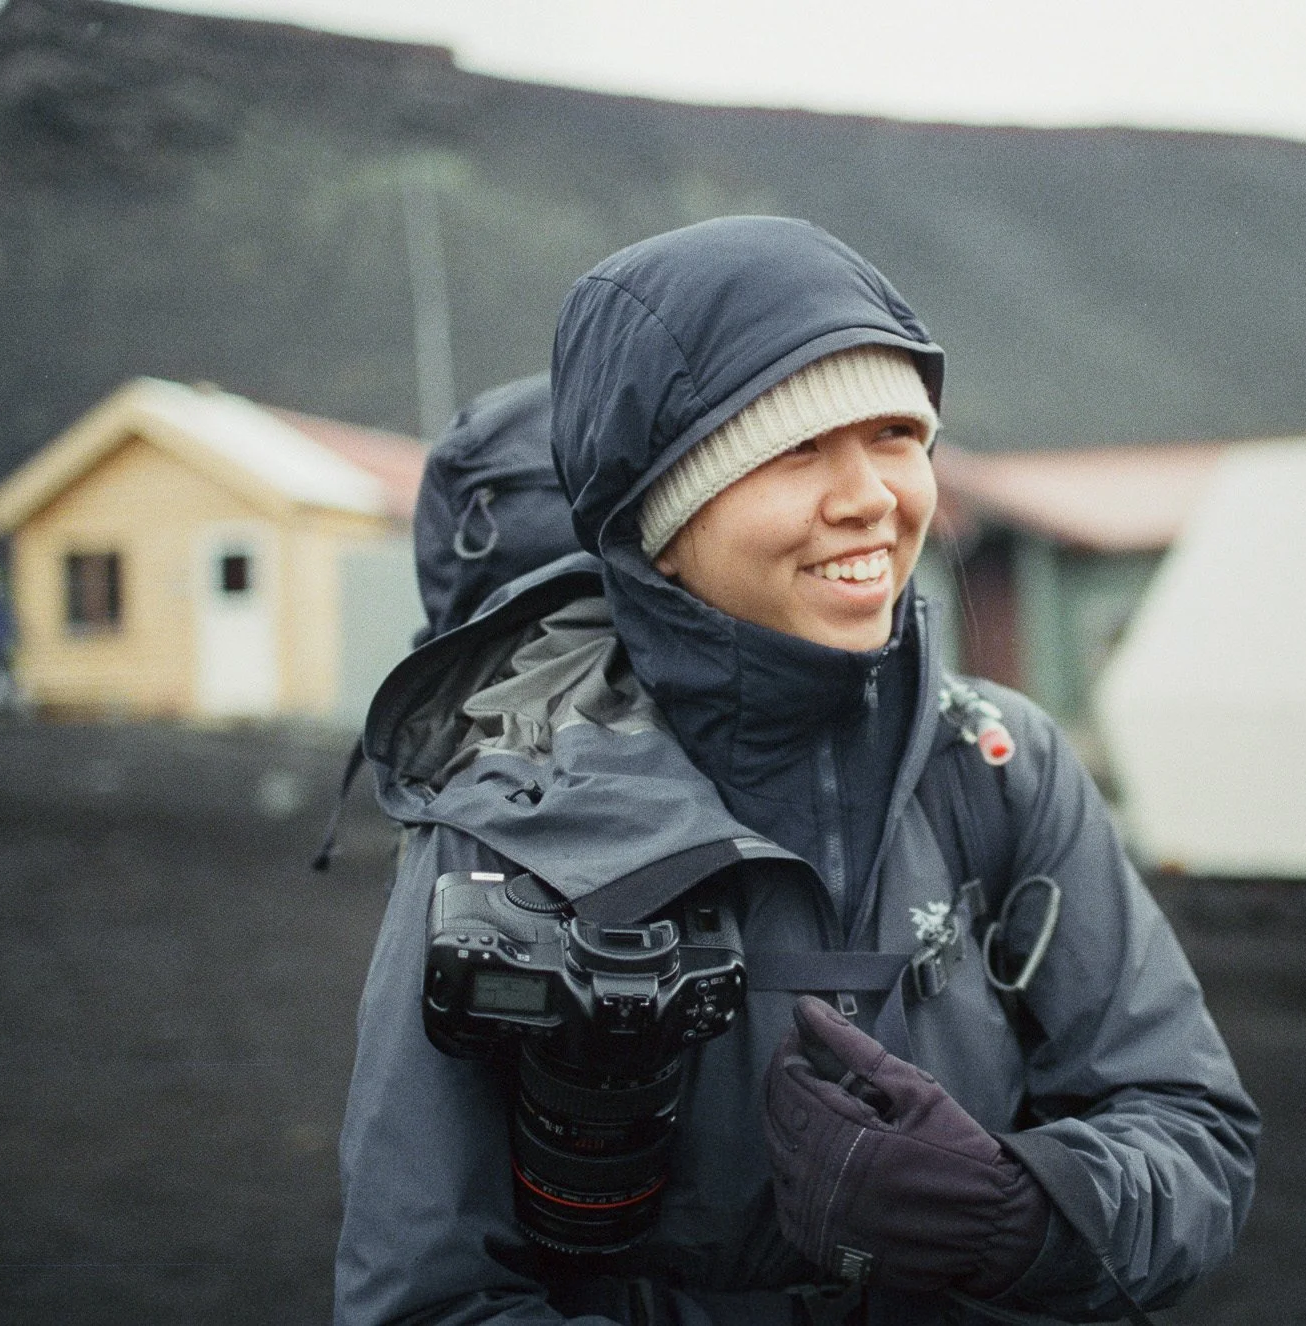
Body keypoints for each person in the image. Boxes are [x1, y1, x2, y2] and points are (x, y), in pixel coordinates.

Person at [335, 216, 1258, 1326]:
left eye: (893, 434)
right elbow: (424, 1297)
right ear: (658, 524)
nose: (869, 493)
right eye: (793, 448)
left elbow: (1191, 1128)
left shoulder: (1000, 769)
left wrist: (1019, 1216)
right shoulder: (511, 818)